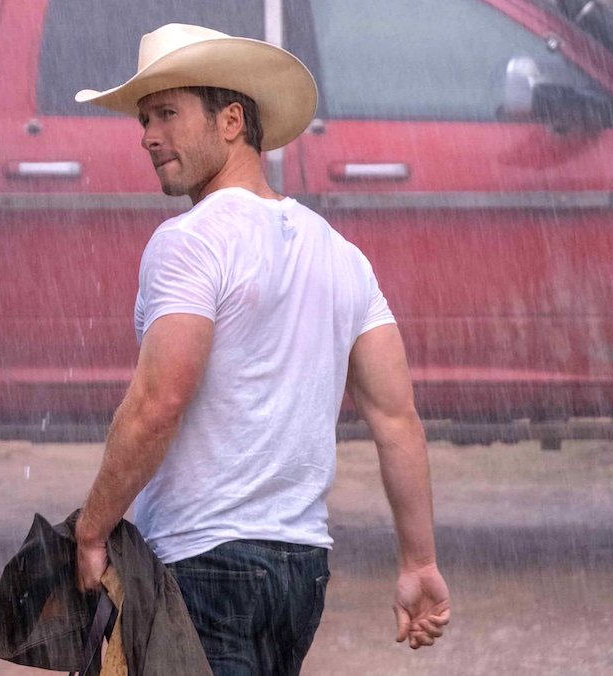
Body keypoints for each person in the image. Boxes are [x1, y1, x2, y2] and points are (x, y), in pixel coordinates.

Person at [70, 23, 451, 675]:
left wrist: (91, 530)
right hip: (300, 569)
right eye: (143, 120)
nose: (148, 136)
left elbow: (159, 403)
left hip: (203, 563)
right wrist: (419, 561)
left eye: (166, 113)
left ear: (231, 121)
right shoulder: (340, 254)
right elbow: (396, 420)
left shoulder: (190, 241)